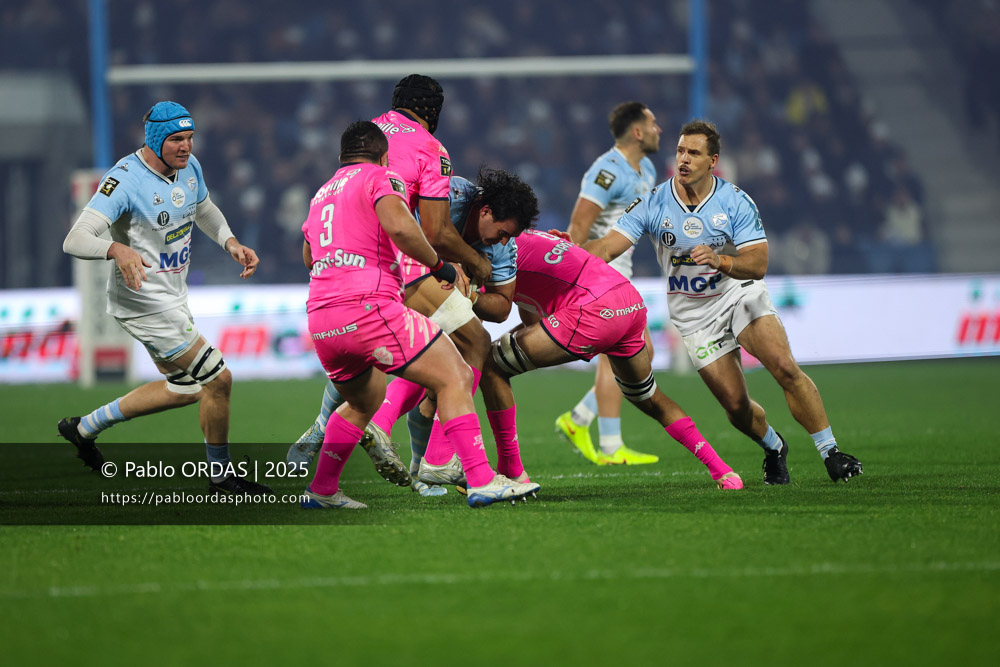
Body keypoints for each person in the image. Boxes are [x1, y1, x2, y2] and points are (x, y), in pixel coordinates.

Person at [584, 120, 863, 484]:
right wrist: (568, 250)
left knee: (783, 366)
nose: (684, 159)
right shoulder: (653, 202)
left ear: (713, 160)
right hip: (694, 313)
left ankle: (831, 453)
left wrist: (722, 261)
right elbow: (606, 246)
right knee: (735, 406)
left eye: (694, 153)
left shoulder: (735, 202)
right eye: (681, 151)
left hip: (738, 293)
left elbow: (759, 264)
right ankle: (774, 447)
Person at [298, 120, 538, 509]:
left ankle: (322, 489)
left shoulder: (322, 193)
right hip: (370, 305)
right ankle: (476, 477)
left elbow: (309, 256)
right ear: (384, 154)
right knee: (457, 371)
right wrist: (441, 266)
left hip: (322, 316)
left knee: (363, 400)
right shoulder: (381, 177)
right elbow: (404, 229)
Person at [290, 74, 497, 490]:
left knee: (388, 362)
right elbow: (434, 231)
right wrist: (471, 260)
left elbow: (311, 250)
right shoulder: (428, 148)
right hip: (401, 265)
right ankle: (436, 457)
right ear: (433, 111)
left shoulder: (362, 142)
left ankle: (330, 433)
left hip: (335, 285)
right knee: (471, 346)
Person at [58, 101, 271, 495]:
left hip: (173, 295)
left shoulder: (189, 168)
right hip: (143, 301)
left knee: (185, 389)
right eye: (176, 139)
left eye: (190, 138)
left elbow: (203, 207)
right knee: (218, 379)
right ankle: (221, 478)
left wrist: (230, 242)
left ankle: (83, 428)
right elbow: (75, 238)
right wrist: (115, 250)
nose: (186, 147)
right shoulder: (124, 180)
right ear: (155, 141)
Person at [479, 230, 743, 490]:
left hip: (593, 311)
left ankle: (511, 473)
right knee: (649, 397)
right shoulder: (532, 237)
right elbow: (532, 320)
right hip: (628, 301)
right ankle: (723, 471)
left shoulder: (492, 248)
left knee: (490, 365)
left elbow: (493, 311)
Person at [555, 101, 662, 466]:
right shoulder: (606, 171)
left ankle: (581, 419)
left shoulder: (646, 168)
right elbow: (579, 226)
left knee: (639, 355)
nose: (658, 129)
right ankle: (610, 444)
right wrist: (573, 274)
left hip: (624, 271)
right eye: (652, 123)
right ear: (637, 131)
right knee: (626, 355)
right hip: (601, 273)